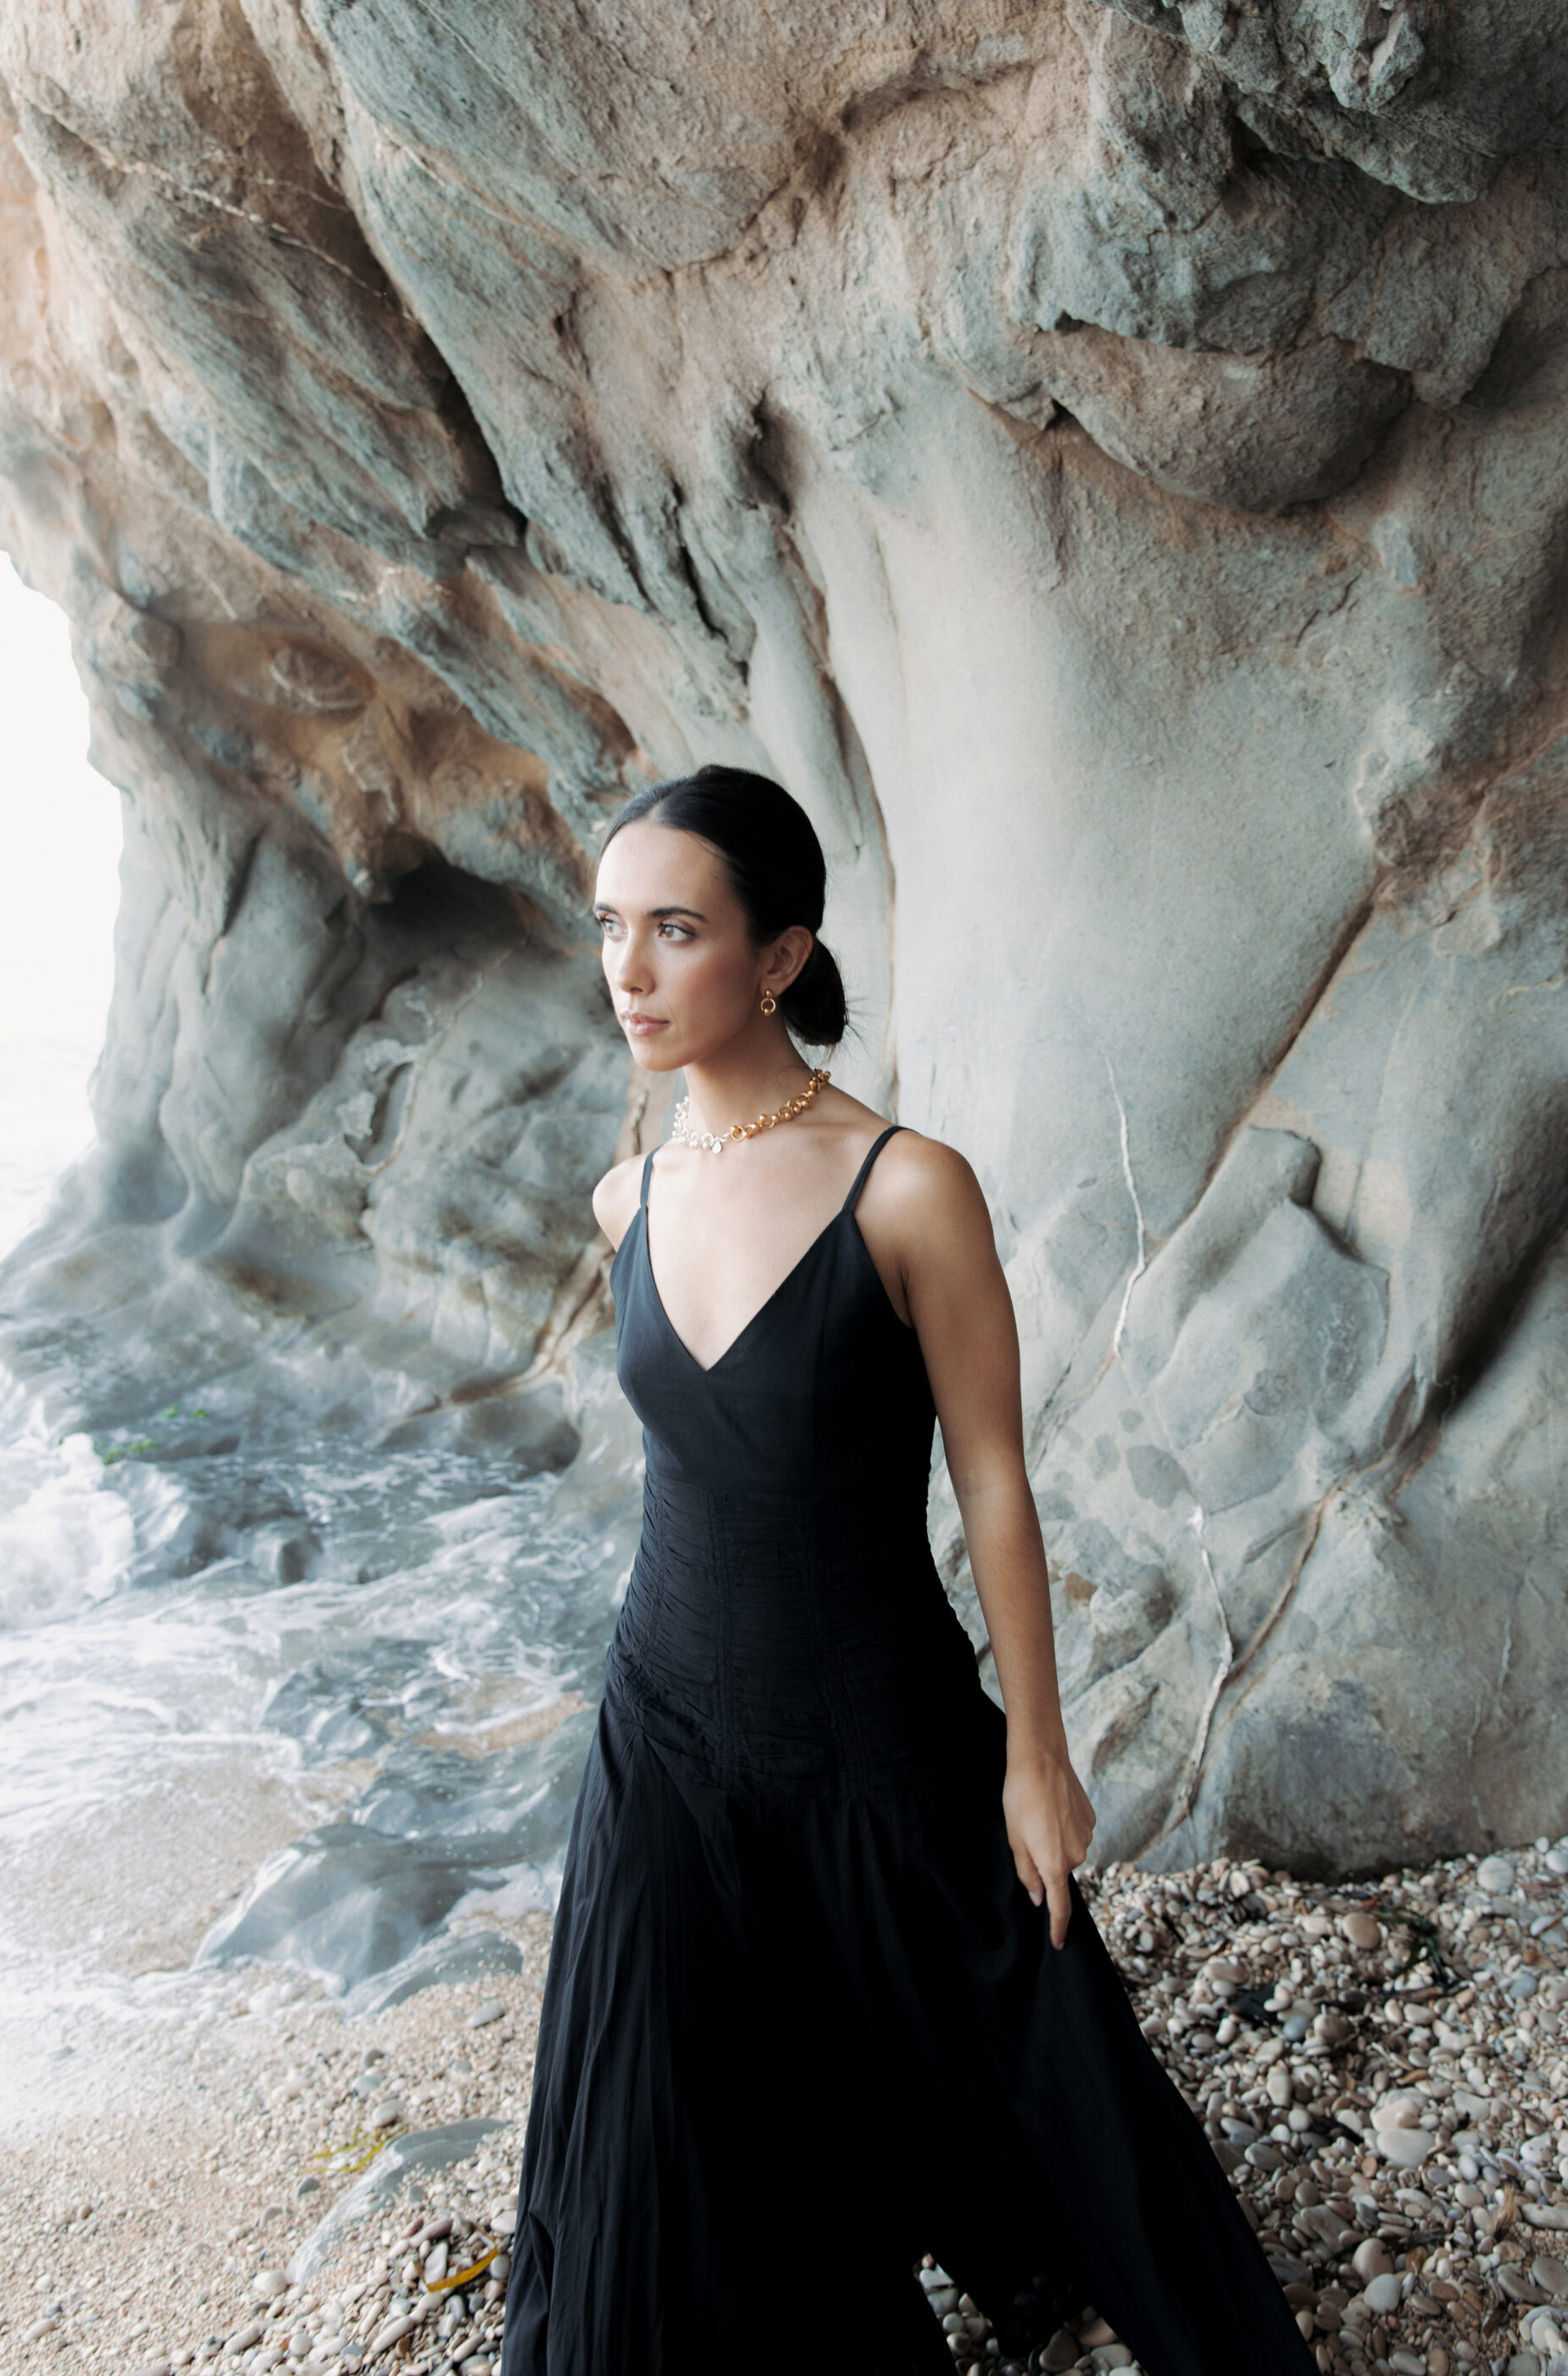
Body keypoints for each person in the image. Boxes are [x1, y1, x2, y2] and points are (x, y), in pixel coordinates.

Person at [503, 765, 1312, 2376]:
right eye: (613, 929)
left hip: (877, 1720)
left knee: (1049, 2059)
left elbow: (996, 1483)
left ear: (782, 956)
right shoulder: (628, 1197)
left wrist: (1037, 1753)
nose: (632, 972)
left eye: (678, 930)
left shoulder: (908, 1185)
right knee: (655, 2147)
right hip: (658, 1732)